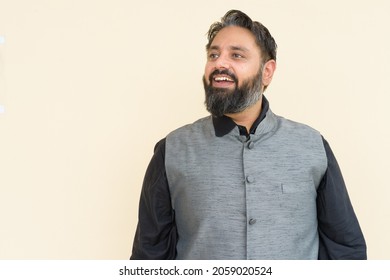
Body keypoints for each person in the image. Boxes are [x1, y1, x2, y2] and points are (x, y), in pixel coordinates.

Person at [130, 10, 367, 260]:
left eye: (237, 55)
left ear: (267, 71)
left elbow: (345, 251)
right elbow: (149, 256)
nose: (220, 63)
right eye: (213, 54)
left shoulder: (312, 147)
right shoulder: (172, 151)